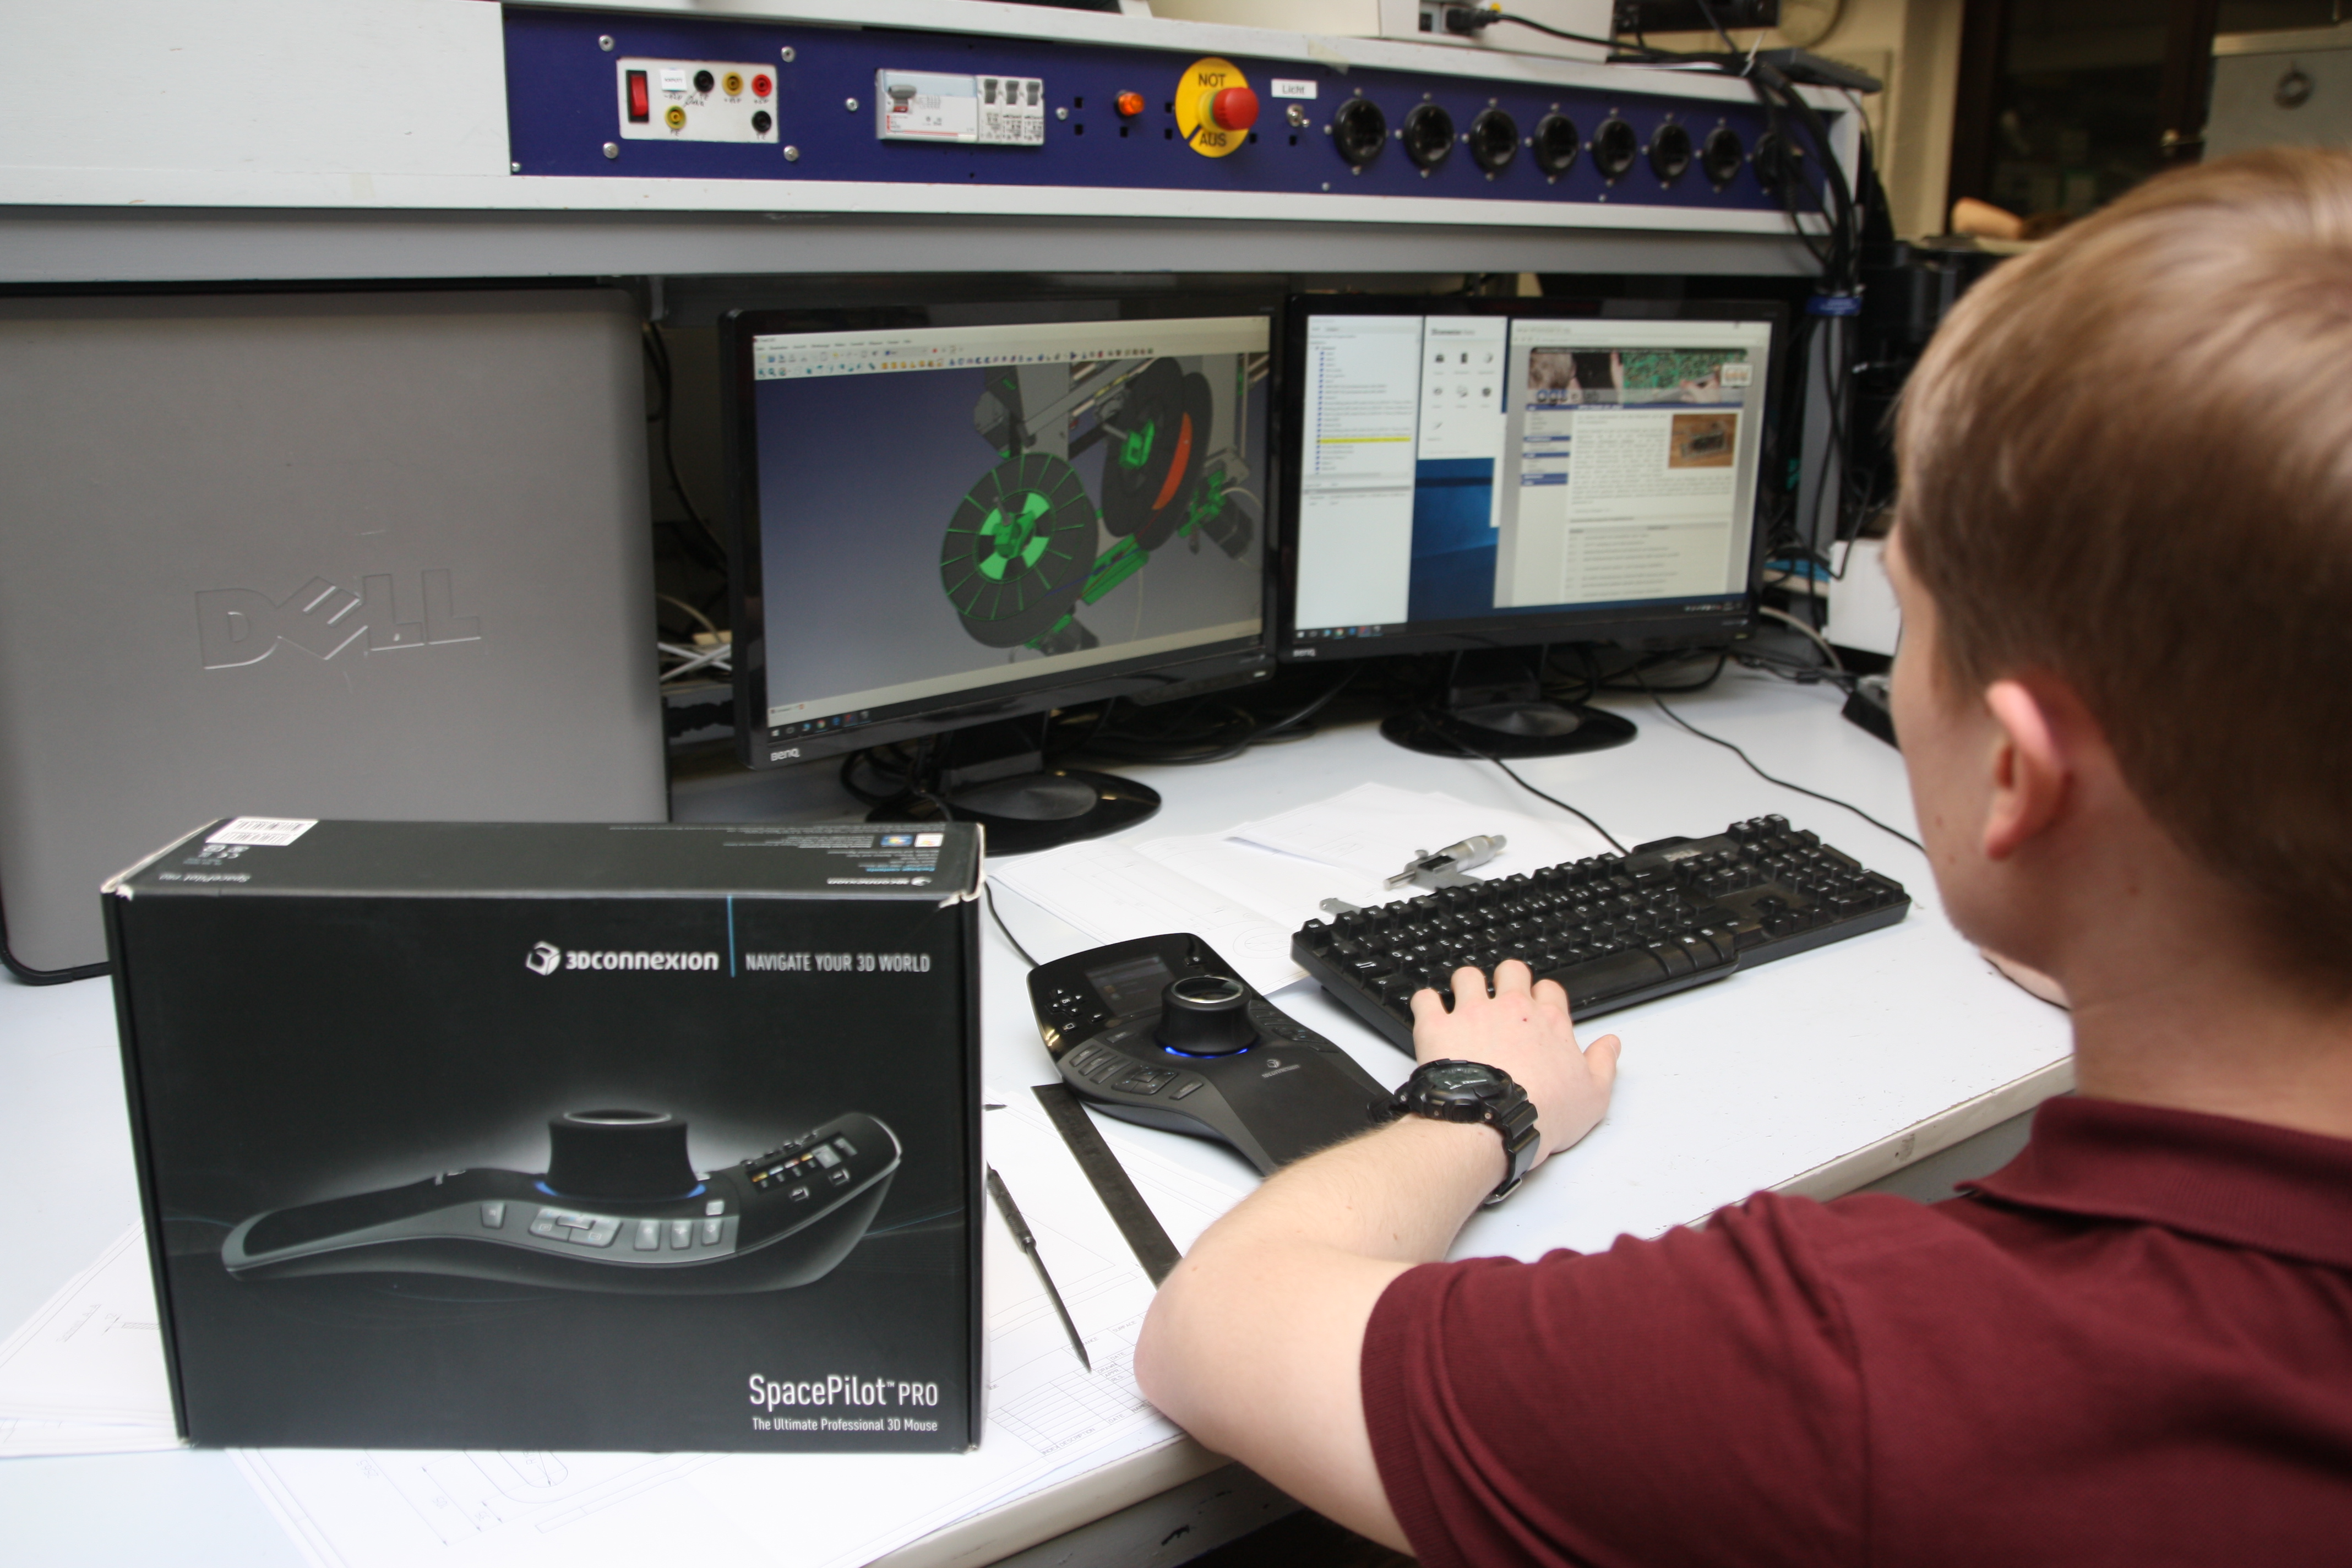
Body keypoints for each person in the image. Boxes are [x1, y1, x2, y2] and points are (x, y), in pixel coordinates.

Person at [1135, 146, 2352, 1563]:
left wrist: (1480, 1104)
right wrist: (2132, 935)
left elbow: (1212, 1332)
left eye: (1918, 623)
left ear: (2020, 778)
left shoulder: (1860, 1372)